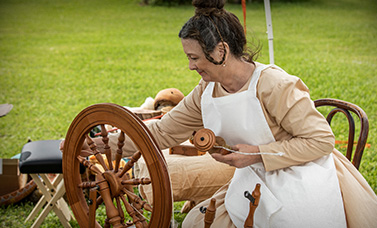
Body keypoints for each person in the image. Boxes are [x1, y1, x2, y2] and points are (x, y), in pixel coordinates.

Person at [63, 0, 377, 227]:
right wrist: (100, 145)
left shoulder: (273, 85)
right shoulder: (206, 92)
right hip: (254, 180)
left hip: (299, 180)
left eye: (194, 57)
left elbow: (321, 140)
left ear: (220, 51)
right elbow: (161, 133)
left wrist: (256, 154)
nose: (190, 66)